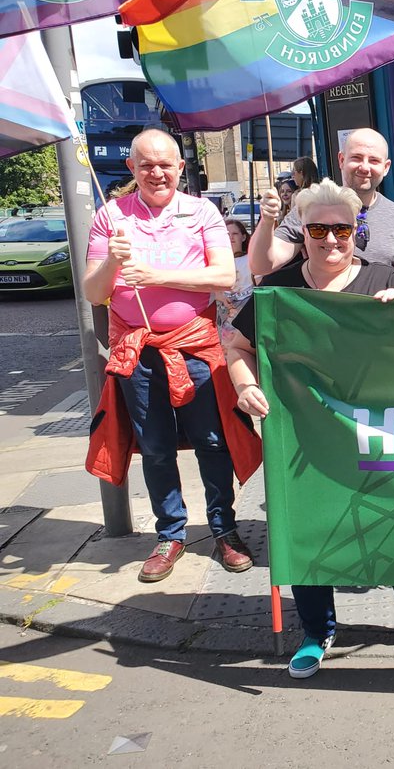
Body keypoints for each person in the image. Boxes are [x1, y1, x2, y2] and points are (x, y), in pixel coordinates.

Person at [222, 179, 394, 677]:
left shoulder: (385, 277)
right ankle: (317, 630)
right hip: (305, 435)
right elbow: (237, 348)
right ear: (302, 230)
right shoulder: (279, 290)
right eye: (318, 228)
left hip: (379, 429)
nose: (330, 239)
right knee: (311, 526)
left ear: (355, 229)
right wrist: (244, 385)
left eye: (340, 228)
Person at [83, 129, 259, 583]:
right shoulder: (110, 216)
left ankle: (224, 530)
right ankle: (170, 534)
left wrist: (155, 273)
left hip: (196, 346)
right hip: (136, 351)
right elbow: (94, 291)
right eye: (146, 165)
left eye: (165, 164)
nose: (156, 172)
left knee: (214, 442)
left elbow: (222, 276)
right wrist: (113, 263)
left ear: (181, 168)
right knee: (156, 448)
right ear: (131, 169)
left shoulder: (201, 212)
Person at [248, 128, 394, 282]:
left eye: (373, 160)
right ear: (341, 160)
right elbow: (261, 265)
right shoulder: (312, 209)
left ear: (386, 167)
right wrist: (267, 221)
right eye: (356, 158)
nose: (365, 167)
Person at [216, 219, 254, 343]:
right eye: (227, 234)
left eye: (235, 234)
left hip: (246, 313)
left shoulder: (251, 259)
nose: (231, 238)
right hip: (223, 315)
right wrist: (219, 296)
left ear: (243, 237)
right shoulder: (215, 262)